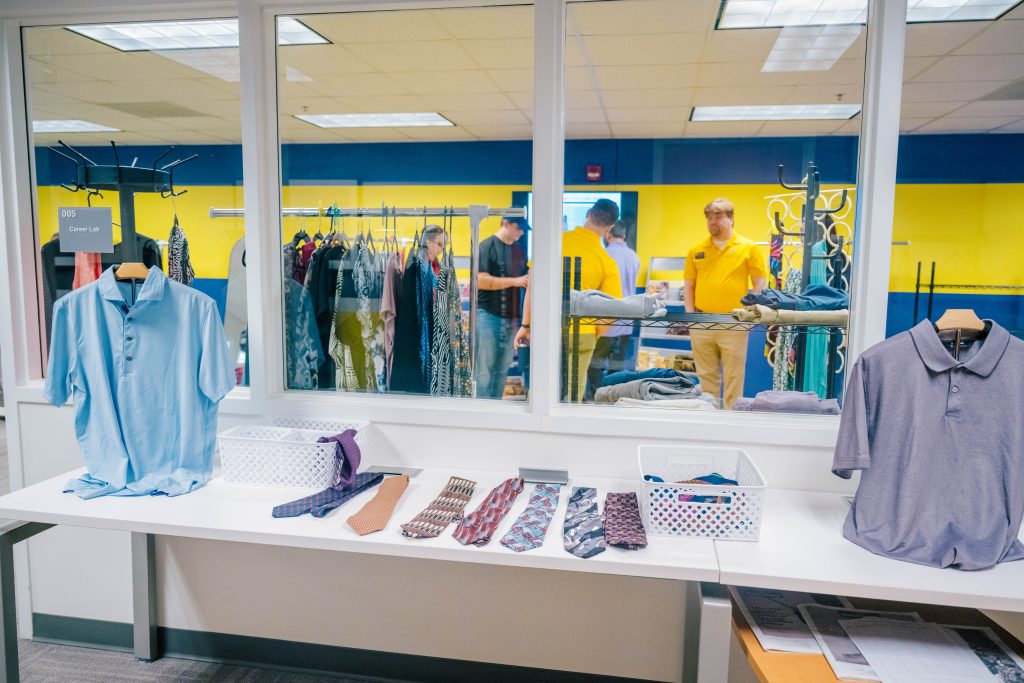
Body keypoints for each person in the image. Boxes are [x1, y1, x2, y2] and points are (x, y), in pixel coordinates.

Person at [516, 198, 621, 402]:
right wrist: (593, 331)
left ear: (589, 214)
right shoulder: (606, 260)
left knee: (541, 387)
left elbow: (532, 287)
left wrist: (526, 325)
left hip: (547, 327)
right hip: (583, 331)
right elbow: (612, 310)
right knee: (573, 390)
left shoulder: (553, 242)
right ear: (610, 227)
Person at [683, 198, 768, 410]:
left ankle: (732, 422)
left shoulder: (748, 248)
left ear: (731, 219)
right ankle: (708, 421)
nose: (712, 221)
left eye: (718, 216)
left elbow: (760, 284)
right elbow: (688, 286)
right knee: (706, 379)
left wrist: (749, 316)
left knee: (733, 378)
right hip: (702, 322)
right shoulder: (696, 250)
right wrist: (691, 317)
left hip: (734, 322)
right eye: (709, 217)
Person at [475, 216, 530, 399]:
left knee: (502, 369)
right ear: (505, 223)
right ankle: (482, 411)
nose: (521, 232)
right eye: (518, 228)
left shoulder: (520, 252)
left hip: (512, 319)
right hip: (488, 316)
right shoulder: (486, 247)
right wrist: (514, 281)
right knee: (484, 370)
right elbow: (480, 280)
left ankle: (495, 407)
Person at [586, 220, 640, 398]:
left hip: (605, 323)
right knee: (619, 366)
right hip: (626, 322)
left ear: (608, 233)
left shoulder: (602, 254)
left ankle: (598, 398)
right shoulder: (634, 256)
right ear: (624, 235)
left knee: (595, 364)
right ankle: (615, 399)